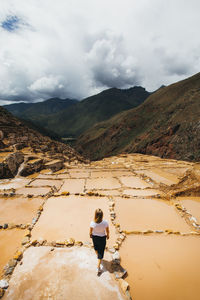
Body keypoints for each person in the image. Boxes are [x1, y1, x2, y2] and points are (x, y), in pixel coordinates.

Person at [89, 208, 109, 274]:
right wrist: (108, 235)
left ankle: (98, 257)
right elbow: (107, 231)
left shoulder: (92, 223)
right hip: (102, 238)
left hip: (95, 237)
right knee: (101, 251)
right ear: (102, 215)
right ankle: (98, 266)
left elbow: (90, 232)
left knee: (96, 248)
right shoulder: (105, 222)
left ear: (95, 215)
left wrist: (90, 235)